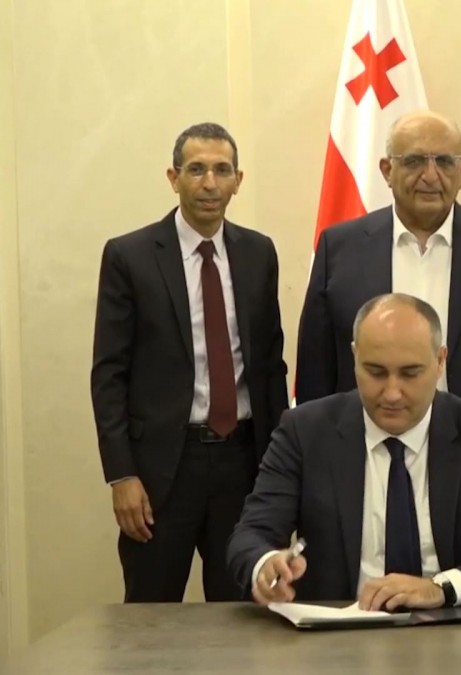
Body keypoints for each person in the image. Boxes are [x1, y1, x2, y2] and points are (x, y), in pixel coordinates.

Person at [229, 294, 461, 609]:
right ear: (354, 357)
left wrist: (442, 588)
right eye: (375, 372)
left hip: (456, 632)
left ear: (440, 361)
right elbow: (250, 536)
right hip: (338, 636)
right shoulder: (304, 431)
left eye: (410, 373)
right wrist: (265, 564)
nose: (392, 393)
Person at [294, 111, 461, 499]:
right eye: (413, 161)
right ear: (387, 170)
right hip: (367, 463)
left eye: (444, 161)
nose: (430, 175)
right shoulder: (339, 247)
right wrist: (310, 471)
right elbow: (316, 373)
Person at [90, 122, 288, 602]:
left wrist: (282, 469)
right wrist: (122, 475)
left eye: (222, 170)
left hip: (243, 466)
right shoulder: (130, 256)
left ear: (238, 180)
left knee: (242, 615)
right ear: (173, 177)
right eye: (196, 169)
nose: (209, 183)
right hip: (162, 471)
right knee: (150, 615)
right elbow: (109, 375)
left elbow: (270, 368)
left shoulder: (258, 253)